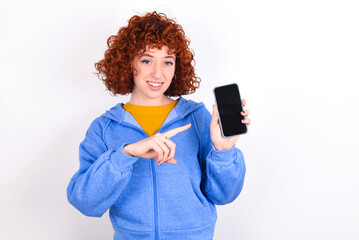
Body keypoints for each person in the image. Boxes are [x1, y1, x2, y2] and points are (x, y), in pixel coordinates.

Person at [66, 11, 251, 240]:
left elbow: (224, 195)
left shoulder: (197, 118)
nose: (158, 73)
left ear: (176, 68)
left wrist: (224, 151)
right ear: (128, 62)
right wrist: (126, 154)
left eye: (167, 62)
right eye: (146, 60)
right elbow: (85, 201)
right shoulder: (104, 128)